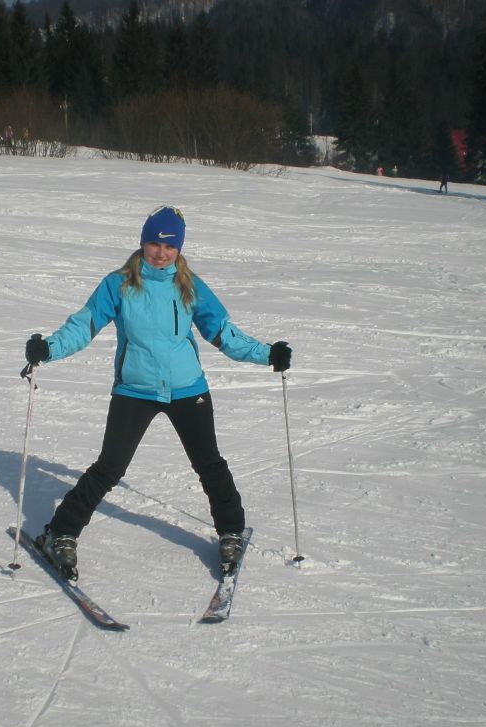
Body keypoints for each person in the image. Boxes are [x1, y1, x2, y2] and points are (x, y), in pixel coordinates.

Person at [23, 205, 292, 581]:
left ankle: (231, 532)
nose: (161, 253)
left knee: (209, 464)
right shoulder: (118, 284)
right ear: (143, 242)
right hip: (135, 389)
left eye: (169, 246)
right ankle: (60, 532)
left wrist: (267, 354)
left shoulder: (190, 286)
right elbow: (84, 325)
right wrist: (49, 348)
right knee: (109, 468)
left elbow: (223, 333)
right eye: (154, 244)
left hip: (187, 387)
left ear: (179, 248)